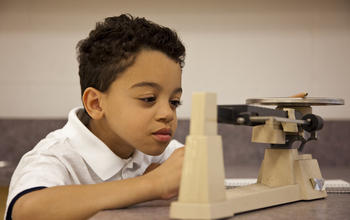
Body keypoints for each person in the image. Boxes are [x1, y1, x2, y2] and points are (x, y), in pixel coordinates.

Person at [5, 14, 186, 220]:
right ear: (96, 103)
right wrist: (154, 184)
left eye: (174, 102)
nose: (167, 114)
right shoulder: (56, 157)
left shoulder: (154, 151)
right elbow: (28, 210)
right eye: (148, 98)